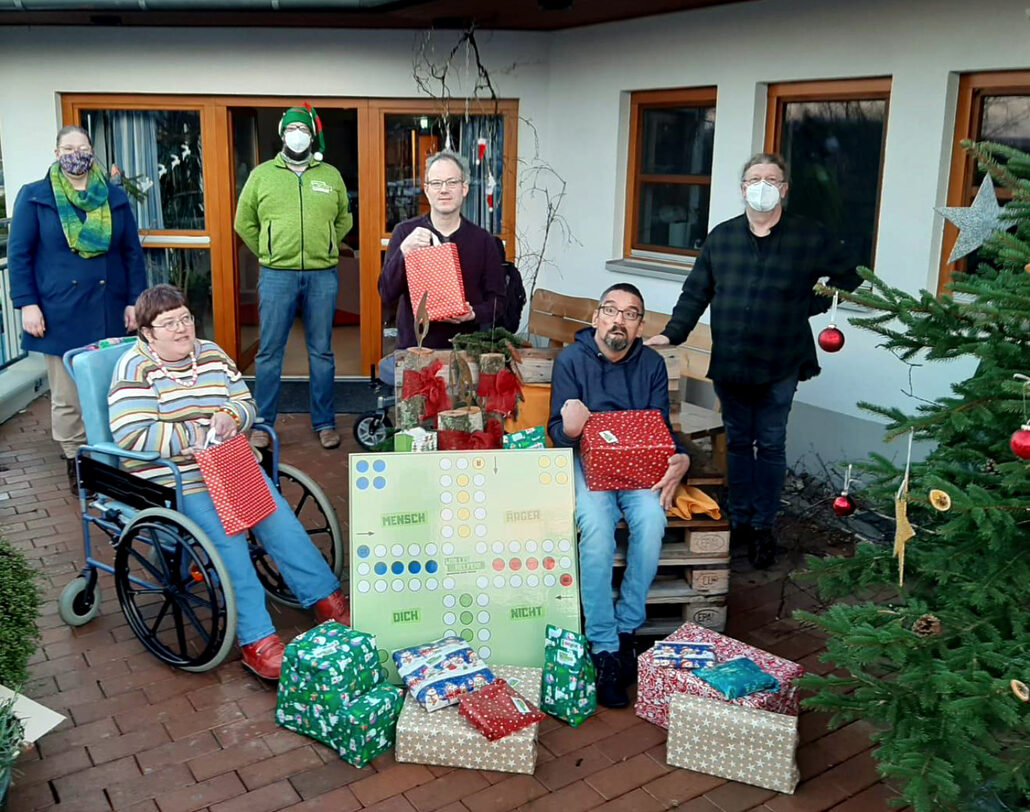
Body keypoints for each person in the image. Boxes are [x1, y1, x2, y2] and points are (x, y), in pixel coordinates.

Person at [108, 284, 351, 681]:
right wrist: (195, 434)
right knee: (228, 535)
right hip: (176, 477)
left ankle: (325, 597)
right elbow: (132, 435)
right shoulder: (134, 368)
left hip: (228, 464)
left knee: (277, 518)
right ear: (148, 332)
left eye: (185, 318)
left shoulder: (212, 354)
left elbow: (245, 403)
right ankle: (256, 639)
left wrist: (230, 417)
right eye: (168, 324)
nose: (182, 328)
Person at [645, 153, 861, 569]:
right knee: (740, 444)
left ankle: (764, 526)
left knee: (772, 444)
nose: (762, 185)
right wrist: (672, 334)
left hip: (781, 361)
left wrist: (807, 304)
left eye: (771, 178)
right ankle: (739, 520)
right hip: (732, 360)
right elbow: (696, 292)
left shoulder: (808, 236)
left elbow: (850, 276)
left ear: (784, 189)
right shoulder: (722, 238)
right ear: (743, 188)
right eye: (753, 178)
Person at [548, 283, 691, 708]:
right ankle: (604, 646)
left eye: (630, 314)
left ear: (640, 326)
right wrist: (570, 429)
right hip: (584, 459)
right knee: (595, 526)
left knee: (651, 519)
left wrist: (682, 458)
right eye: (610, 310)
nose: (618, 320)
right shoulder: (571, 361)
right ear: (596, 318)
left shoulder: (650, 364)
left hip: (637, 462)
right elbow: (558, 432)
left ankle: (628, 628)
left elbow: (660, 428)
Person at [8, 125, 147, 494]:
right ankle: (77, 460)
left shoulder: (114, 197)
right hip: (58, 310)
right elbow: (19, 256)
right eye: (68, 148)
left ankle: (110, 456)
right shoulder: (35, 196)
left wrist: (135, 299)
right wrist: (27, 304)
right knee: (68, 397)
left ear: (91, 152)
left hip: (110, 306)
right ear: (57, 153)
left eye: (82, 147)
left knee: (110, 388)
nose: (76, 154)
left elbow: (132, 254)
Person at [234, 104, 352, 451]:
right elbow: (244, 222)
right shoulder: (262, 175)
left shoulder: (330, 175)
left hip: (322, 276)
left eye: (302, 130)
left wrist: (327, 244)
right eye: (291, 130)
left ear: (311, 136)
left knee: (322, 352)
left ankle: (325, 422)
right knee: (270, 352)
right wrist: (269, 252)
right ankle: (262, 423)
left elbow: (344, 218)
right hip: (276, 276)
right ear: (282, 135)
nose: (297, 136)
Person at [378, 150, 506, 350]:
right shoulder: (405, 233)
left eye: (452, 182)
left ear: (464, 188)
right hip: (415, 350)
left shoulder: (483, 240)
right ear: (427, 189)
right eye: (436, 183)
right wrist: (404, 252)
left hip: (465, 351)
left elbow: (498, 301)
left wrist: (474, 314)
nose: (444, 190)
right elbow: (386, 293)